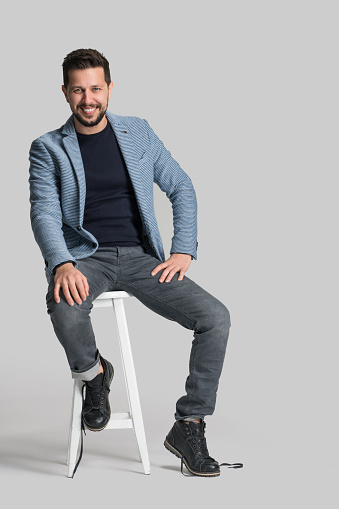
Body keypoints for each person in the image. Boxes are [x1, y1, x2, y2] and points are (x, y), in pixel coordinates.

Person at [29, 48, 239, 477]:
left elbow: (181, 185)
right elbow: (45, 212)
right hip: (89, 257)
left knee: (215, 317)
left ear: (108, 88)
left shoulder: (138, 132)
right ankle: (95, 374)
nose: (88, 99)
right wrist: (62, 263)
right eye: (78, 90)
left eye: (95, 88)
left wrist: (184, 248)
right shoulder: (47, 148)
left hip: (143, 257)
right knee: (63, 304)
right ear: (65, 93)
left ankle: (190, 425)